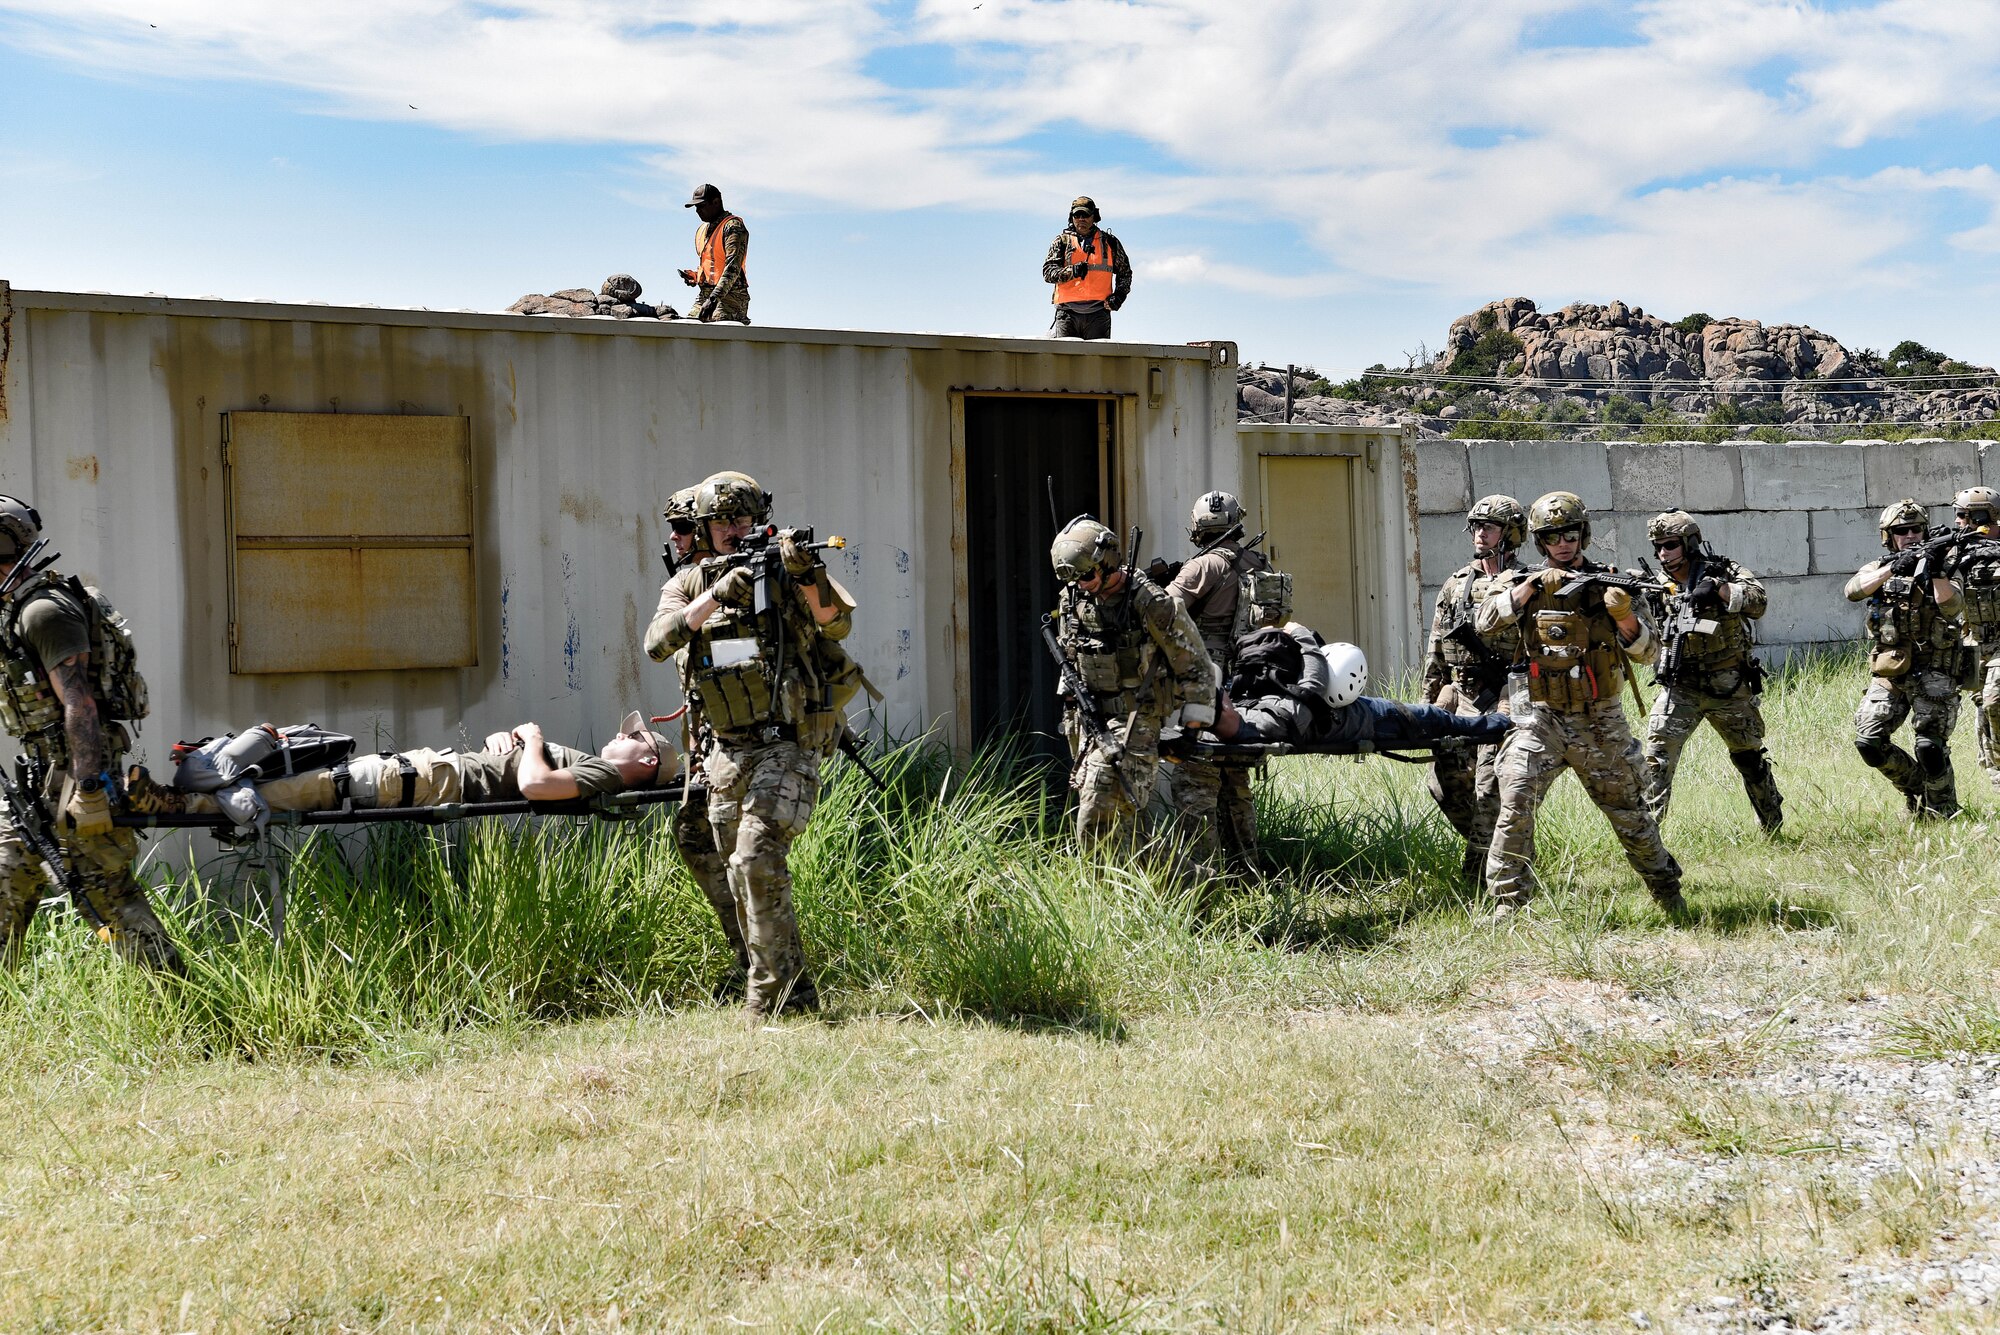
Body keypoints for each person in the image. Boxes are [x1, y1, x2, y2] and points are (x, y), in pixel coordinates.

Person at [645, 470, 853, 1018]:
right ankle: (790, 989)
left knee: (757, 856)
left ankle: (768, 1004)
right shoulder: (690, 582)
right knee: (734, 869)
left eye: (743, 518)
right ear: (706, 526)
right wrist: (717, 594)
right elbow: (656, 643)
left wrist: (807, 575)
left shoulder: (787, 566)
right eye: (723, 521)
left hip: (786, 742)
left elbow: (837, 625)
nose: (735, 530)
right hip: (725, 752)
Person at [1475, 491, 1685, 921]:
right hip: (1541, 718)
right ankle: (1508, 906)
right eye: (1552, 536)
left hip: (1599, 720)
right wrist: (1529, 590)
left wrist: (1623, 615)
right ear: (1540, 542)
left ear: (1583, 534)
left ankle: (1667, 892)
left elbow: (1650, 653)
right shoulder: (1521, 581)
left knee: (1630, 812)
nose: (1563, 543)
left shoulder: (1613, 582)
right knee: (1514, 796)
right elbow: (1484, 621)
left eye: (1570, 533)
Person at [0, 495, 181, 970]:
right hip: (37, 778)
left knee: (105, 898)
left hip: (72, 777)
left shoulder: (43, 611)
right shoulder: (18, 606)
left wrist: (90, 790)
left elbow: (79, 703)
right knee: (5, 882)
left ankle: (188, 1009)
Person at [1048, 516, 1215, 852]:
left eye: (1087, 574)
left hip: (1135, 720)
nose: (1081, 584)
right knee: (1125, 827)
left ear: (1108, 562)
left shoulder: (1151, 603)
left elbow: (1196, 665)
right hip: (1087, 721)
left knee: (1095, 818)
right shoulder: (1073, 599)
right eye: (1072, 577)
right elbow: (1070, 654)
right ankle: (1196, 886)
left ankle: (1102, 896)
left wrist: (1192, 730)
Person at [144, 712, 676, 818]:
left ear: (647, 760)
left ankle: (176, 804)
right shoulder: (595, 771)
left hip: (432, 778)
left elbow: (536, 785)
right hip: (437, 771)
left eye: (632, 736)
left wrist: (534, 738)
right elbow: (525, 773)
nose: (618, 734)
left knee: (315, 787)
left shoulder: (605, 776)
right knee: (304, 776)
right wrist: (509, 743)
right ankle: (184, 796)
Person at [1638, 510, 1782, 833]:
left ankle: (1771, 820)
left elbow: (1758, 602)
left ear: (1689, 543)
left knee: (1749, 757)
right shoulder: (1653, 584)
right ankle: (1646, 841)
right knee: (1656, 759)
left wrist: (1718, 588)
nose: (1663, 553)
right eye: (1658, 546)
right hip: (1680, 685)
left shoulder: (1723, 570)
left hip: (1727, 683)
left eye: (1670, 545)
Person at [658, 484, 746, 979]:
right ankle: (748, 957)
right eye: (673, 528)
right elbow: (659, 640)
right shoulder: (692, 586)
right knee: (696, 838)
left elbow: (756, 657)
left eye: (685, 528)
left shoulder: (748, 580)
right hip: (710, 744)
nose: (676, 537)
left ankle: (773, 967)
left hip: (751, 744)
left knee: (746, 858)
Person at [1162, 491, 1277, 870]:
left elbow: (1162, 613)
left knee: (1195, 782)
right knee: (1235, 781)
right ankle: (1247, 873)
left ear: (1198, 528)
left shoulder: (1202, 568)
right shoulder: (1258, 564)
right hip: (1250, 682)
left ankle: (1204, 881)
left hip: (1207, 685)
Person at [1420, 494, 1526, 887]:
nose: (1480, 534)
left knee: (1488, 788)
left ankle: (1479, 878)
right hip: (1460, 694)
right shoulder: (1456, 584)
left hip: (1503, 695)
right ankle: (1504, 850)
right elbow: (1436, 648)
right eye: (1477, 526)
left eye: (1490, 527)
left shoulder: (1523, 584)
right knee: (1442, 783)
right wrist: (1426, 704)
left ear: (1511, 534)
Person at [1847, 498, 1968, 820]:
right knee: (1869, 742)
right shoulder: (1878, 566)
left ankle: (1942, 810)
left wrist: (1936, 567)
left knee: (1930, 746)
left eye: (1917, 529)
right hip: (1891, 669)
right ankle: (1916, 789)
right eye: (1903, 530)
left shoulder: (1946, 563)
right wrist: (1893, 568)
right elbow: (1853, 590)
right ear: (1889, 536)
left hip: (1937, 668)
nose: (1911, 535)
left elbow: (1952, 605)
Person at [1214, 625, 1511, 750]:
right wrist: (1301, 635)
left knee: (1434, 717)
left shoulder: (1240, 699)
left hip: (1348, 708)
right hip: (1366, 720)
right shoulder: (1268, 721)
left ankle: (1495, 721)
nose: (1222, 702)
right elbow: (1312, 690)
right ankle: (1499, 724)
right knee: (1435, 720)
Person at [1942, 488, 2000, 792]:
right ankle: (1992, 772)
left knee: (1995, 699)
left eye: (1962, 515)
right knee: (1983, 708)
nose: (1957, 521)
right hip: (1973, 645)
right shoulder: (1954, 552)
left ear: (1981, 516)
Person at [1041, 196, 1132, 340]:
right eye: (1077, 215)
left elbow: (1125, 273)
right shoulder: (1061, 242)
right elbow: (1047, 273)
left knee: (1097, 361)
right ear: (1072, 218)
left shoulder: (1110, 242)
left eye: (1085, 215)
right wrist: (1072, 271)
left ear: (1094, 217)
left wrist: (1119, 296)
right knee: (1064, 361)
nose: (1081, 219)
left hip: (1098, 315)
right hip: (1067, 314)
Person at [678, 183, 750, 325]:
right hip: (706, 295)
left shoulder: (733, 227)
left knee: (717, 331)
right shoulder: (703, 229)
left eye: (701, 206)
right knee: (688, 328)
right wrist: (696, 276)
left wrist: (713, 299)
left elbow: (732, 268)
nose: (697, 211)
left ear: (716, 202)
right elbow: (712, 264)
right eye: (695, 207)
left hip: (731, 297)